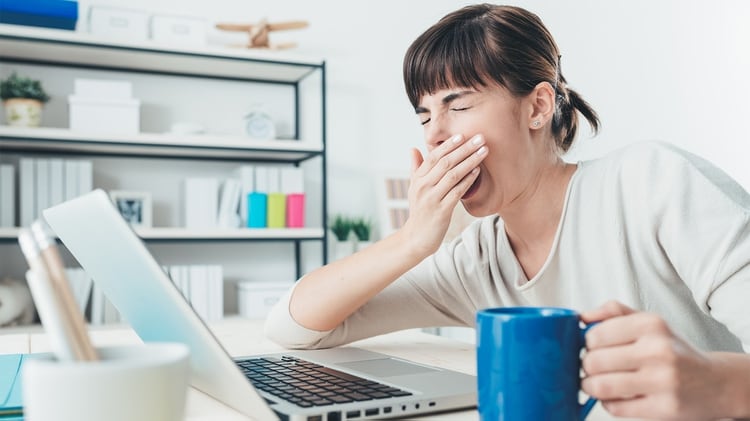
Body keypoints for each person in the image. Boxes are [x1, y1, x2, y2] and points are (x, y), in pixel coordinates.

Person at [265, 4, 750, 419]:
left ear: (538, 107)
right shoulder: (476, 259)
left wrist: (712, 381)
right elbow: (296, 326)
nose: (433, 134)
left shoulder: (650, 181)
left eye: (458, 105)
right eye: (424, 114)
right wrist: (411, 240)